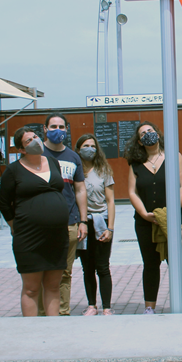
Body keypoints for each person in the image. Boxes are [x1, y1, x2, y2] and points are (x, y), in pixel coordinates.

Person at [0, 127, 69, 317]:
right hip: (29, 236)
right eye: (29, 140)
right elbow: (4, 203)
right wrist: (15, 226)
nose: (36, 141)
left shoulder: (53, 162)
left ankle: (52, 327)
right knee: (31, 289)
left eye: (36, 137)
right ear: (21, 149)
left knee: (53, 286)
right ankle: (31, 330)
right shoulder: (13, 170)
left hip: (56, 236)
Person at [125, 121, 182, 313]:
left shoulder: (173, 156)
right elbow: (132, 192)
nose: (148, 134)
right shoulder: (135, 163)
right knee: (150, 264)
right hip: (146, 222)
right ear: (139, 141)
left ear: (158, 134)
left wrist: (171, 212)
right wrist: (144, 214)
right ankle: (149, 307)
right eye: (143, 133)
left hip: (173, 219)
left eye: (150, 131)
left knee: (177, 262)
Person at [41, 113, 88, 315]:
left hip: (69, 223)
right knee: (40, 272)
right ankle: (41, 314)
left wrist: (83, 221)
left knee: (65, 272)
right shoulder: (37, 155)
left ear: (67, 129)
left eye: (61, 127)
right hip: (40, 225)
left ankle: (62, 312)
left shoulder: (73, 157)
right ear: (45, 129)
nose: (57, 131)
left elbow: (80, 190)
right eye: (53, 127)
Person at [75, 133, 115, 316]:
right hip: (83, 223)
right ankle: (92, 305)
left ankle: (107, 306)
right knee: (87, 267)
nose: (89, 149)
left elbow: (110, 201)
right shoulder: (76, 171)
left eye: (92, 145)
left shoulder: (104, 171)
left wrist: (110, 228)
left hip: (101, 222)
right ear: (78, 149)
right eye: (85, 145)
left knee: (103, 266)